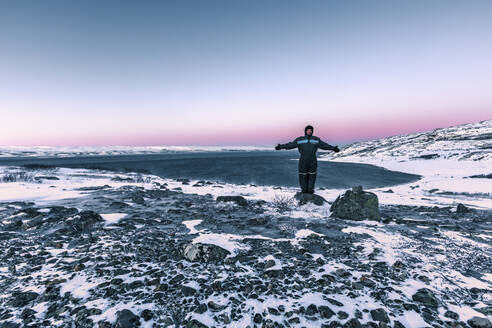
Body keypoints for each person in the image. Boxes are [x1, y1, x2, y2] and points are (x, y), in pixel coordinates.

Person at [275, 125, 340, 194]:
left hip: (313, 160)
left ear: (312, 131)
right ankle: (304, 190)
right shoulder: (300, 139)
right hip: (303, 160)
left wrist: (333, 148)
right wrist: (281, 146)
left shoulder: (316, 139)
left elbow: (324, 145)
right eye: (308, 130)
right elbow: (291, 144)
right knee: (303, 175)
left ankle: (310, 190)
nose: (309, 131)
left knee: (312, 176)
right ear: (305, 131)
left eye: (311, 130)